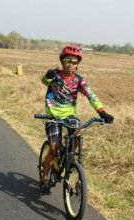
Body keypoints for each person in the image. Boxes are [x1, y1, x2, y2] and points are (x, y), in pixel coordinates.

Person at [40, 44, 114, 194]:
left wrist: (102, 112)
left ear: (78, 64)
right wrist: (48, 76)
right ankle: (45, 177)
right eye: (68, 61)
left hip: (69, 114)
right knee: (53, 148)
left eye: (74, 62)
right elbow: (45, 81)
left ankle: (69, 160)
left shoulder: (79, 80)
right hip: (53, 114)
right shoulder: (55, 76)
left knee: (77, 133)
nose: (71, 65)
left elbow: (91, 96)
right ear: (62, 62)